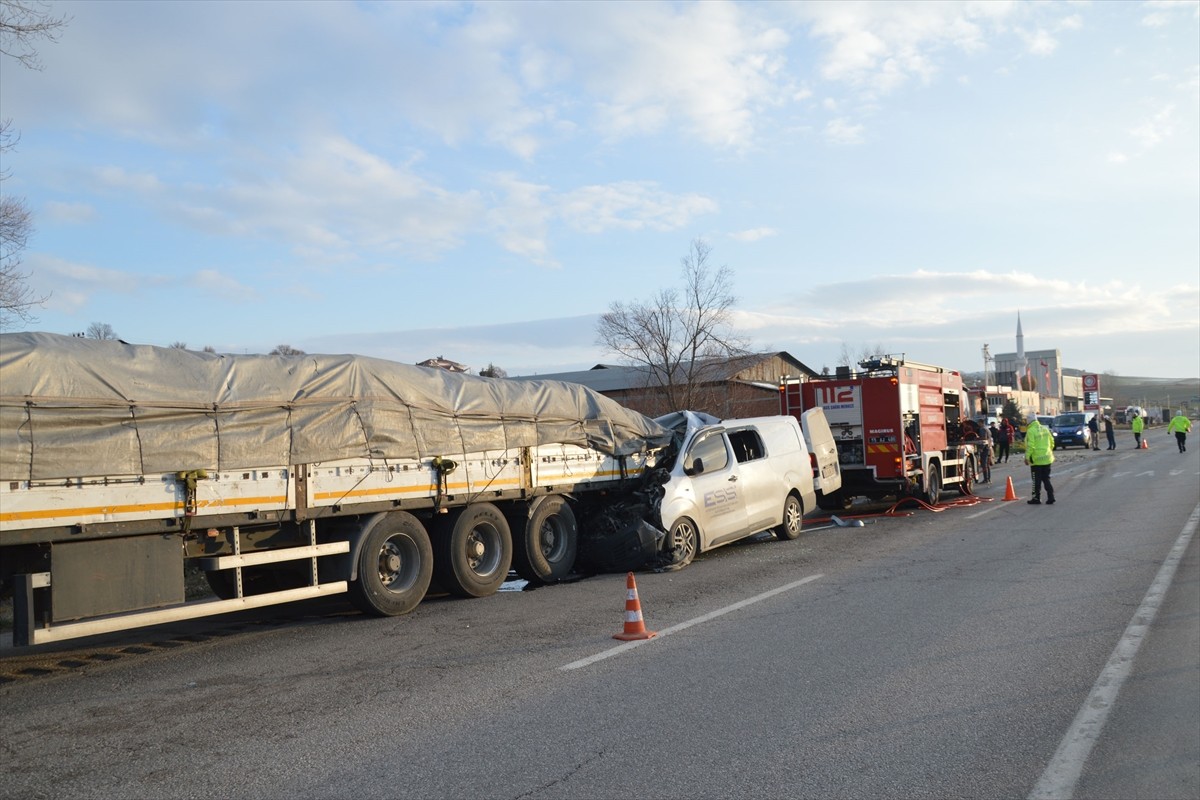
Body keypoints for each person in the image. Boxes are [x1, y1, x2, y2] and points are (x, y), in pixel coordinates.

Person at [1024, 417, 1056, 505]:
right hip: (1047, 458)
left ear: (1029, 423)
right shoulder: (1045, 429)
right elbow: (1052, 441)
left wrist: (1027, 457)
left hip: (1036, 460)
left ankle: (1036, 498)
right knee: (1046, 479)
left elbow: (1031, 445)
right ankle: (1051, 497)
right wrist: (1048, 451)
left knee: (1036, 480)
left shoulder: (1031, 431)